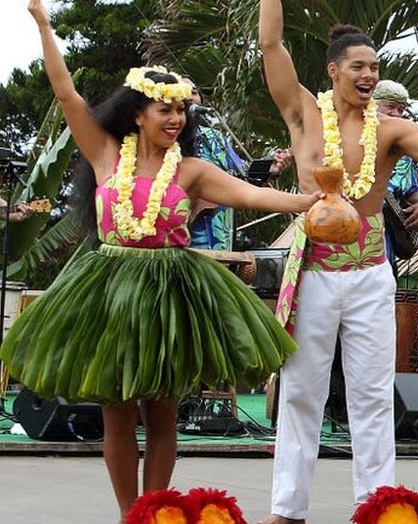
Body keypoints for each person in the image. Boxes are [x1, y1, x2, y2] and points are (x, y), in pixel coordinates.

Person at [1, 2, 320, 522]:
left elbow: (254, 195)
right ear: (138, 114)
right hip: (106, 290)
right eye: (165, 111)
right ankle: (131, 514)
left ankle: (157, 512)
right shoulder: (105, 154)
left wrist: (306, 202)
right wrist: (43, 24)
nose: (176, 120)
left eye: (181, 112)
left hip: (169, 292)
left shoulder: (191, 170)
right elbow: (66, 93)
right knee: (117, 412)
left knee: (163, 411)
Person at [257, 0, 418, 522]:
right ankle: (287, 508)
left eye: (375, 67)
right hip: (314, 271)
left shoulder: (389, 130)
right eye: (359, 67)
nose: (369, 75)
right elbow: (271, 45)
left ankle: (376, 505)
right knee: (302, 390)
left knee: (372, 394)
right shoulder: (304, 113)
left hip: (370, 271)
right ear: (334, 71)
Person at [181, 75, 247, 250]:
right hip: (183, 232)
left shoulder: (214, 136)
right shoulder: (166, 138)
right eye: (183, 92)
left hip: (220, 228)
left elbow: (241, 173)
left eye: (194, 92)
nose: (190, 97)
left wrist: (271, 168)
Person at [371, 79, 418, 271]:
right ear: (372, 105)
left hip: (387, 238)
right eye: (391, 107)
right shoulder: (348, 141)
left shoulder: (402, 157)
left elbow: (415, 194)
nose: (396, 114)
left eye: (401, 109)